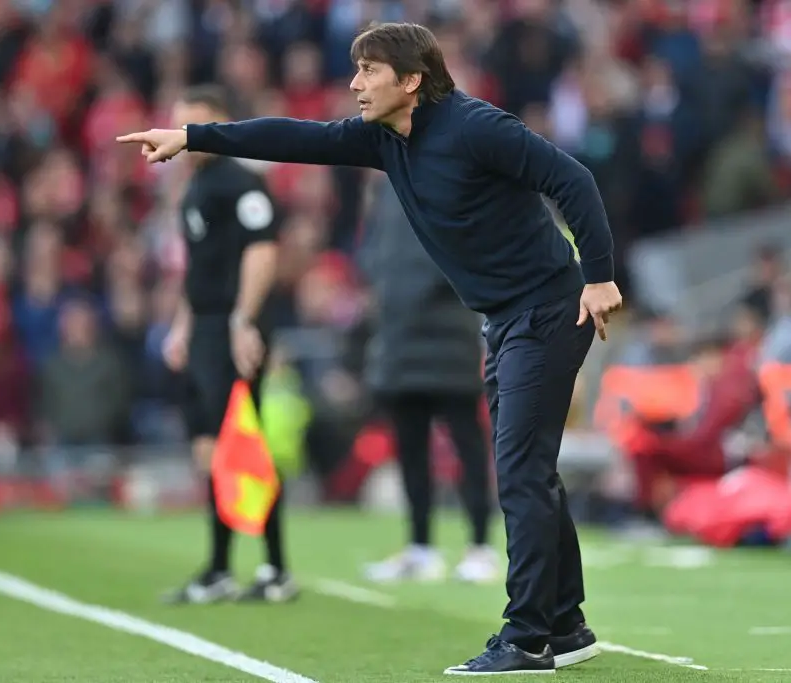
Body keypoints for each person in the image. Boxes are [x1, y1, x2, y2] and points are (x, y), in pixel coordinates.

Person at [118, 22, 622, 675]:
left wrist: (601, 275)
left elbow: (572, 178)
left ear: (411, 80)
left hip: (548, 308)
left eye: (369, 71)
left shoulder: (475, 128)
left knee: (521, 472)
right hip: (503, 318)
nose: (355, 83)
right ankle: (565, 623)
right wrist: (192, 137)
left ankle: (527, 636)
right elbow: (296, 137)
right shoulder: (387, 139)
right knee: (530, 470)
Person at [157, 85, 297, 605]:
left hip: (233, 328)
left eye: (197, 122)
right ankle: (218, 568)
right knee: (210, 448)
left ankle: (276, 568)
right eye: (181, 122)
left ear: (222, 123)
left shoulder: (241, 182)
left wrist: (244, 320)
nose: (188, 133)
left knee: (245, 444)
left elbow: (261, 252)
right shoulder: (197, 185)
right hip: (206, 329)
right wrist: (182, 326)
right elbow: (200, 267)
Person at [358, 172, 497, 584]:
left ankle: (480, 546)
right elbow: (371, 252)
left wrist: (407, 296)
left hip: (447, 336)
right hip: (399, 340)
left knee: (467, 447)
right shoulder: (386, 188)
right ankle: (420, 547)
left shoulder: (454, 181)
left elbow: (466, 252)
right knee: (410, 448)